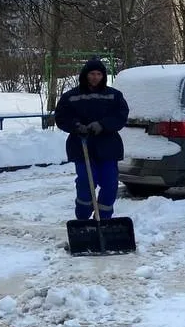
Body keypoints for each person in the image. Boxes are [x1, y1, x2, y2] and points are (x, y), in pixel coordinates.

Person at [55, 58, 130, 221]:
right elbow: (61, 117)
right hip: (82, 146)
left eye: (99, 74)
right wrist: (76, 126)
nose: (95, 77)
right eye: (92, 74)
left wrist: (103, 125)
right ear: (85, 75)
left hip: (108, 147)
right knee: (86, 182)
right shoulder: (71, 96)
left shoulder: (114, 96)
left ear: (103, 76)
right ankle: (82, 217)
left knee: (110, 184)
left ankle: (103, 219)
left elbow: (121, 116)